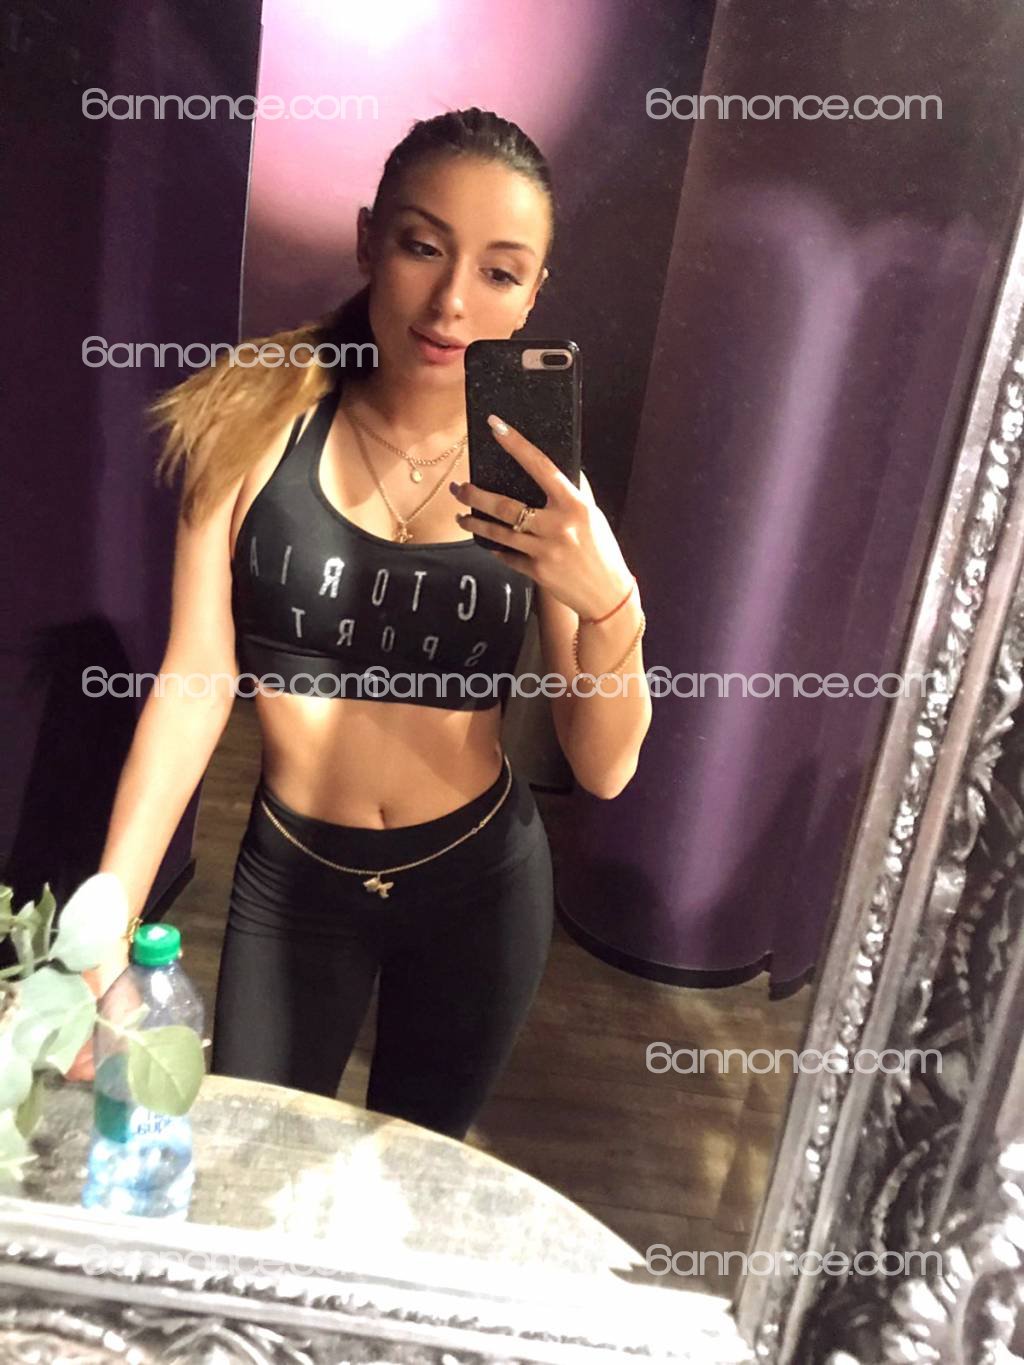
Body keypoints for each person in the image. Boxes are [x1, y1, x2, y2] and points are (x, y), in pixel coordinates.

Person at [70, 108, 651, 1140]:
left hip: (481, 884)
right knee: (254, 1157)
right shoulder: (251, 420)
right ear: (368, 239)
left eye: (500, 272)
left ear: (532, 295)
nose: (452, 301)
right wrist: (106, 924)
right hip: (295, 882)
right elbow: (196, 681)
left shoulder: (540, 481)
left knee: (415, 1173)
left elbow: (603, 769)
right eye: (424, 247)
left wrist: (613, 606)